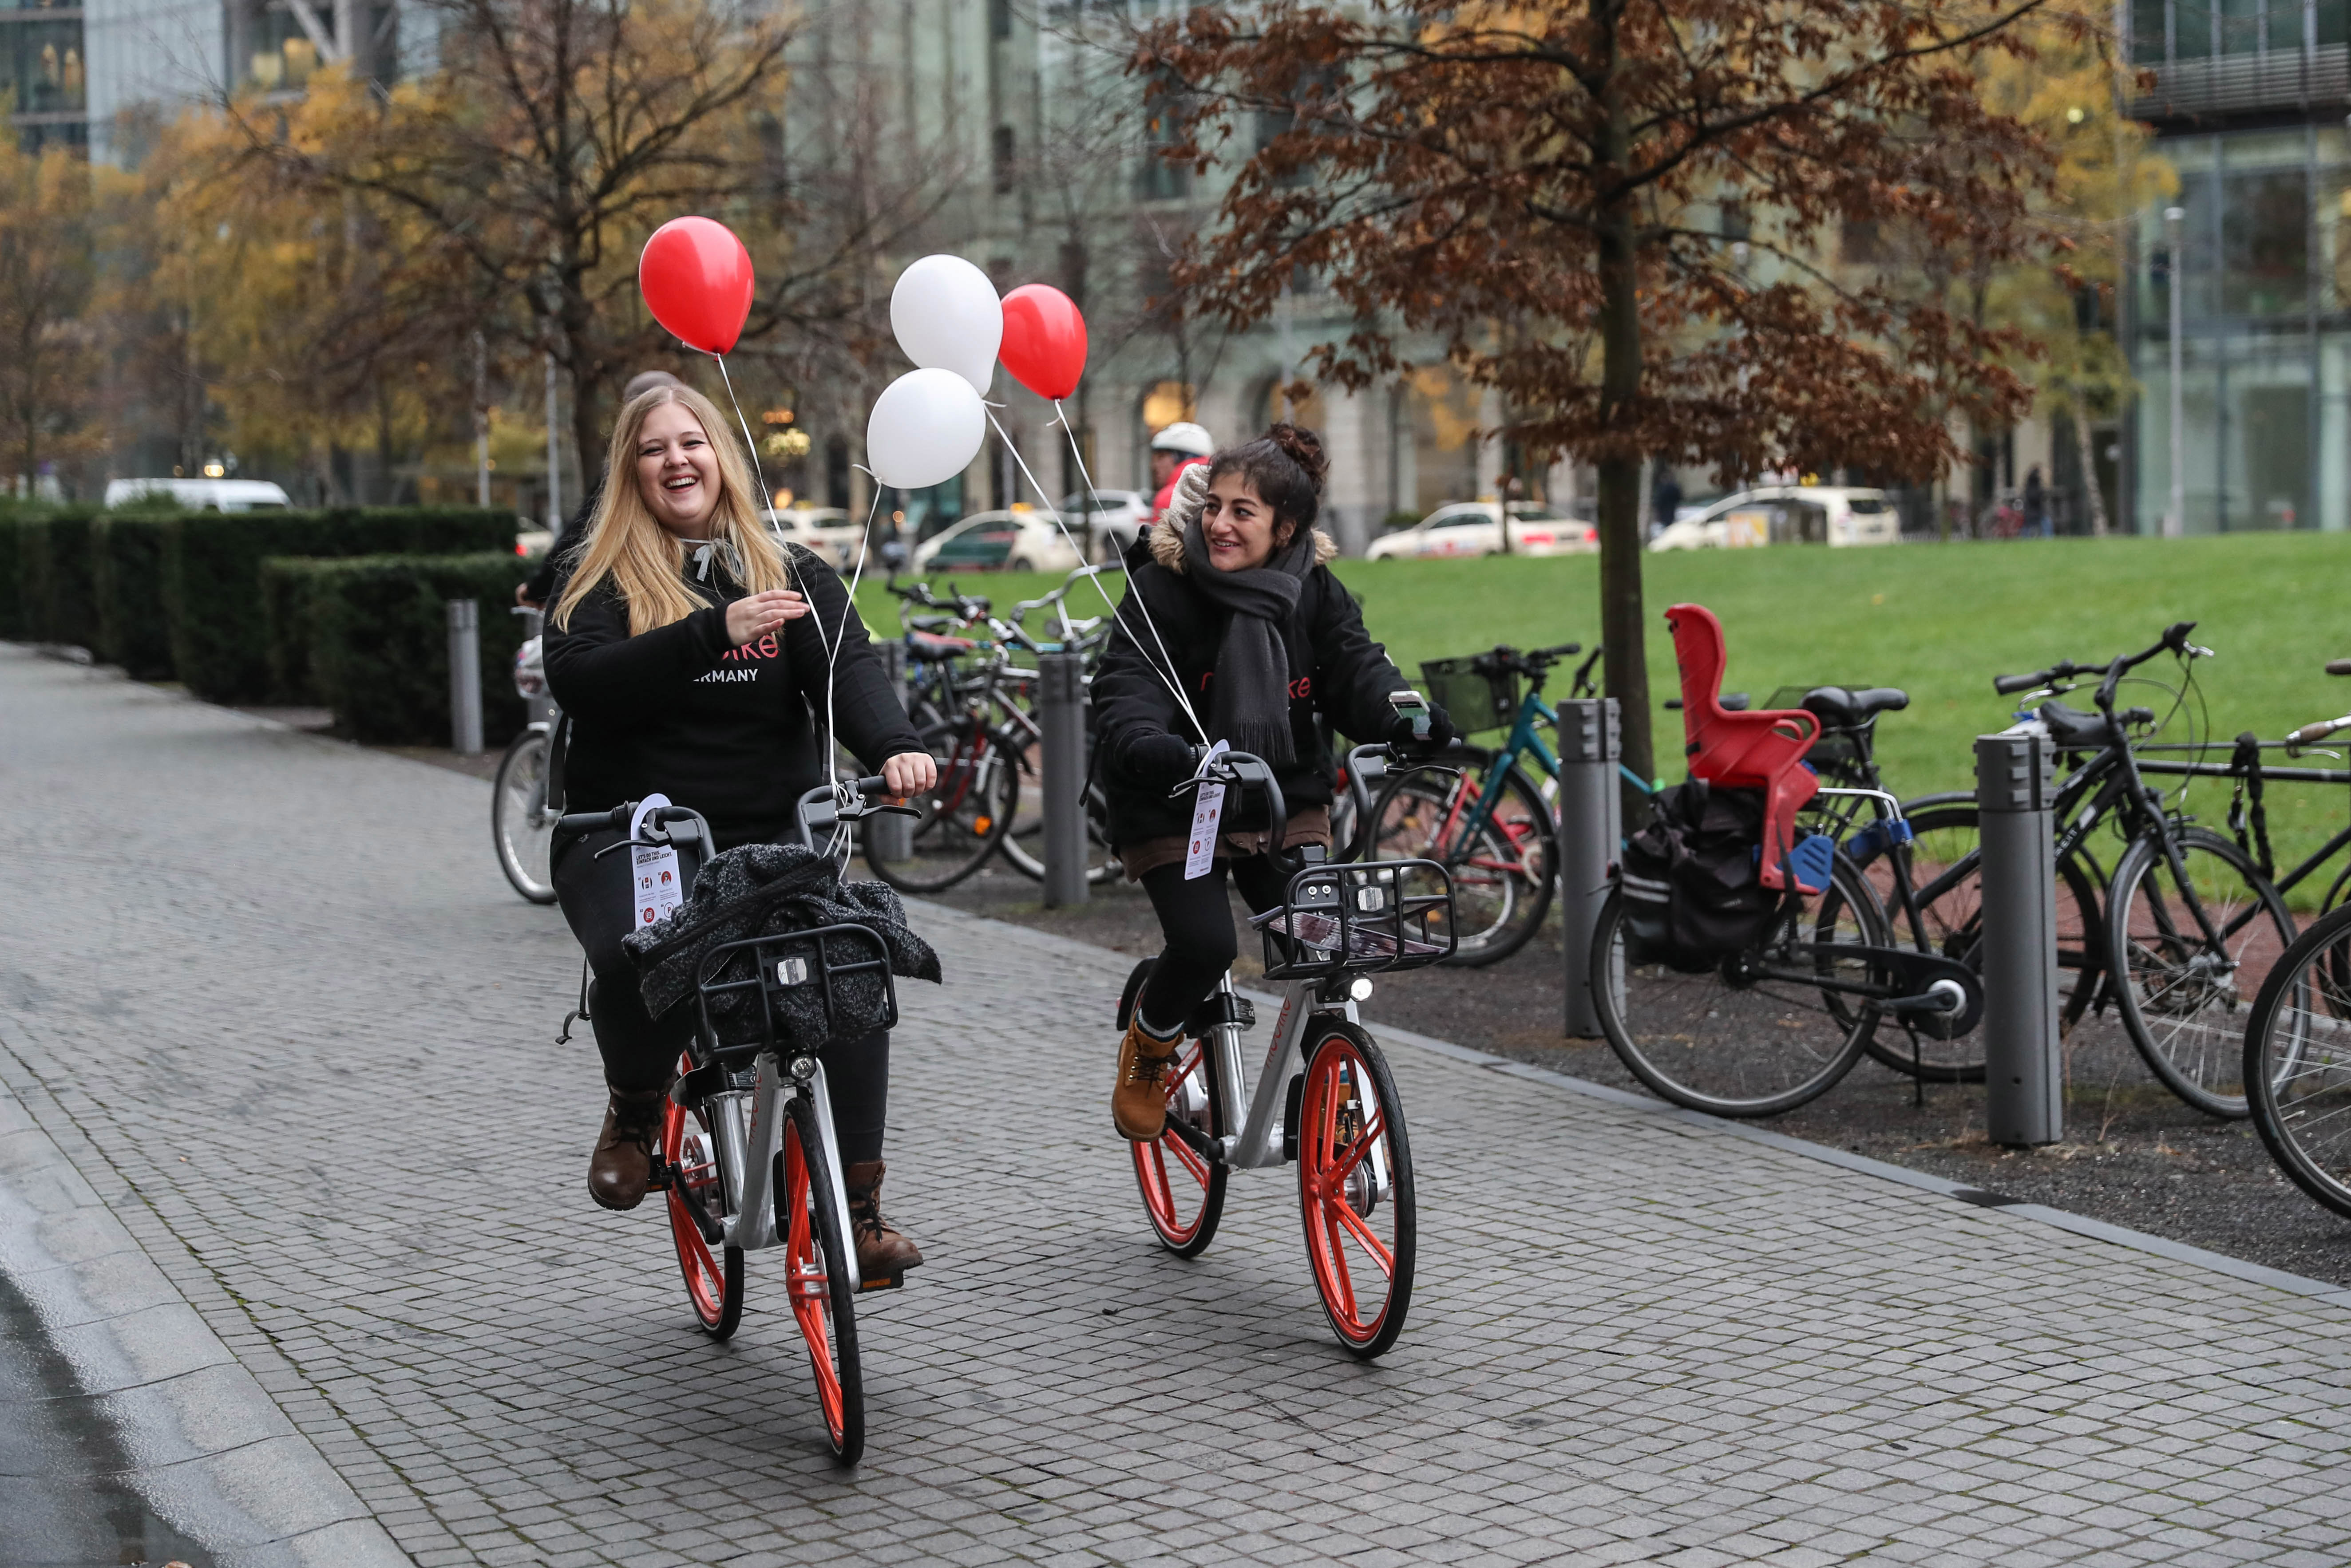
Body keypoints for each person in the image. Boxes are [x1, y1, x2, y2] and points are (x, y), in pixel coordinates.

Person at [542, 382, 939, 1280]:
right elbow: (588, 683)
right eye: (654, 448)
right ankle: (637, 1106)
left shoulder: (789, 570)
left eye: (693, 441)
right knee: (650, 951)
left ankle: (861, 1209)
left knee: (850, 955)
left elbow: (851, 676)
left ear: (721, 455)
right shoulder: (594, 579)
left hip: (768, 831)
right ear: (628, 470)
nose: (677, 459)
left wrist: (898, 747)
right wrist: (711, 631)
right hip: (629, 832)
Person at [1090, 423, 1455, 1139]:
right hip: (1175, 798)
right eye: (1214, 506)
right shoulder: (1163, 589)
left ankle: (1335, 1085)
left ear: (1285, 527)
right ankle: (1148, 1045)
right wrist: (1148, 740)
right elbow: (1125, 688)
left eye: (1242, 511)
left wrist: (1405, 718)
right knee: (1205, 946)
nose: (1219, 524)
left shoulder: (1313, 589)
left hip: (1281, 794)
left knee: (1324, 946)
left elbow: (1357, 667)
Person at [518, 370, 682, 609]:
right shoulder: (621, 473)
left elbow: (580, 533)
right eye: (653, 450)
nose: (677, 460)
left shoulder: (620, 472)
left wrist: (537, 589)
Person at [1147, 420, 1215, 521]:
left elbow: (1159, 537)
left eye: (1161, 457)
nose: (1154, 466)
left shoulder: (1170, 496)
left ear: (1183, 458)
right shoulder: (1220, 487)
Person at [2023, 465, 2048, 538]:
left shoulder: (2031, 484)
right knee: (2045, 525)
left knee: (2030, 528)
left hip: (2033, 512)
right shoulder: (2034, 485)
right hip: (2034, 512)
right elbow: (2034, 498)